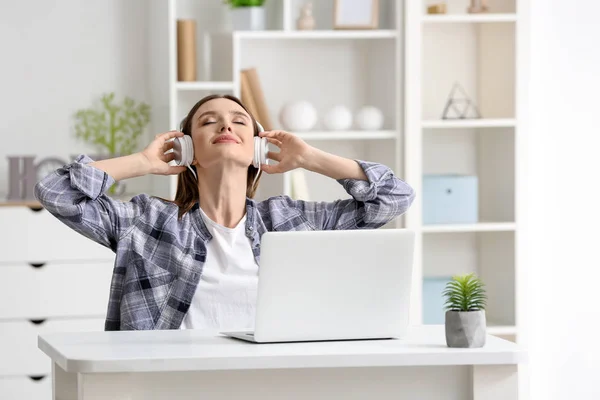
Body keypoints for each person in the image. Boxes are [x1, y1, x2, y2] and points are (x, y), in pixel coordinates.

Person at [35, 94, 416, 331]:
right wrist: (142, 161)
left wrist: (310, 158)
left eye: (238, 121)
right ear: (187, 150)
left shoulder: (289, 221)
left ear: (258, 149)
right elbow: (55, 192)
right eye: (208, 121)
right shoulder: (145, 222)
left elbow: (394, 198)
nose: (225, 125)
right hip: (168, 384)